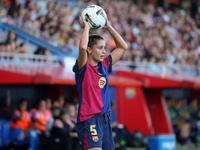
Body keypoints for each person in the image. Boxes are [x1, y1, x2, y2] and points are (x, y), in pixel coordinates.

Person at [72, 15, 128, 150]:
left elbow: (123, 47)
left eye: (105, 48)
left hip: (105, 119)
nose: (104, 52)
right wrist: (87, 27)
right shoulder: (83, 67)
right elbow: (82, 48)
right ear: (89, 50)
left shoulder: (104, 65)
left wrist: (109, 27)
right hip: (89, 119)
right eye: (100, 48)